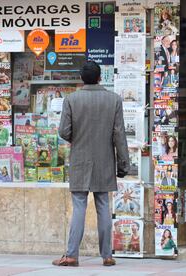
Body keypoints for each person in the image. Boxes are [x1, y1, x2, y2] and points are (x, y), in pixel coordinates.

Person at [52, 61, 130, 267]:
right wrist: (123, 164)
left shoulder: (71, 99)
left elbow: (64, 132)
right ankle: (107, 255)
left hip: (80, 160)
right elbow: (119, 135)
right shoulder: (113, 100)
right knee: (103, 206)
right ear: (99, 78)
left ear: (81, 78)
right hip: (105, 161)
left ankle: (71, 255)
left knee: (79, 207)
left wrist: (78, 138)